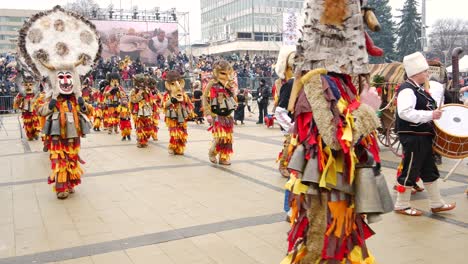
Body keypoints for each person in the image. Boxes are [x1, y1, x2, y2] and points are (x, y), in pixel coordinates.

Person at [282, 1, 390, 262]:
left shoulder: (340, 81)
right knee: (325, 246)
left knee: (339, 243)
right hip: (327, 191)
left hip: (342, 186)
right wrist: (368, 109)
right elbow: (333, 138)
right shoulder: (318, 80)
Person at [21, 6, 99, 199]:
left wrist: (83, 102)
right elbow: (41, 112)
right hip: (57, 137)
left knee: (72, 159)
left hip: (73, 135)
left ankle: (71, 183)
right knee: (59, 161)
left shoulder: (75, 98)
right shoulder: (51, 98)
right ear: (56, 80)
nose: (65, 81)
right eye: (61, 77)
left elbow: (89, 111)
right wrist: (53, 100)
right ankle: (61, 187)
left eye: (68, 77)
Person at [394, 52, 456, 216]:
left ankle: (436, 203)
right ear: (416, 73)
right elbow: (405, 113)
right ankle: (401, 205)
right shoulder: (407, 90)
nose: (427, 74)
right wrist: (430, 115)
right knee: (410, 169)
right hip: (413, 136)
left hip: (422, 136)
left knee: (429, 169)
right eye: (425, 71)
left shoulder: (417, 89)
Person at [202, 60, 237, 165]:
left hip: (227, 115)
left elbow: (233, 99)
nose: (225, 76)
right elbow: (205, 98)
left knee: (227, 138)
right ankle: (212, 152)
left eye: (228, 73)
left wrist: (232, 89)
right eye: (223, 73)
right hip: (216, 114)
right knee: (219, 137)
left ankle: (223, 157)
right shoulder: (212, 84)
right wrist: (208, 114)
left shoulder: (229, 84)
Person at [162, 70, 193, 155]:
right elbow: (164, 105)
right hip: (172, 116)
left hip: (182, 116)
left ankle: (179, 148)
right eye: (173, 84)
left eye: (178, 82)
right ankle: (172, 147)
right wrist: (171, 101)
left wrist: (190, 112)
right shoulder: (167, 95)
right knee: (174, 132)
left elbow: (189, 104)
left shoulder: (184, 94)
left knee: (182, 133)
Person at [129, 74, 154, 148]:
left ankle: (145, 140)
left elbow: (150, 100)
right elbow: (133, 100)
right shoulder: (134, 91)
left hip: (146, 110)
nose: (142, 84)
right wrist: (139, 93)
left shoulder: (147, 90)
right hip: (138, 111)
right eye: (140, 82)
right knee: (139, 127)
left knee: (147, 126)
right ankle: (140, 141)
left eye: (143, 82)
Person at [13, 74, 40, 141]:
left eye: (30, 84)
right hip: (26, 113)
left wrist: (36, 100)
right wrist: (19, 100)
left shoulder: (35, 94)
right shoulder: (21, 94)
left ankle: (36, 134)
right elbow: (16, 104)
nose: (28, 86)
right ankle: (29, 135)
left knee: (35, 123)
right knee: (28, 124)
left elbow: (41, 102)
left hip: (34, 112)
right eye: (26, 85)